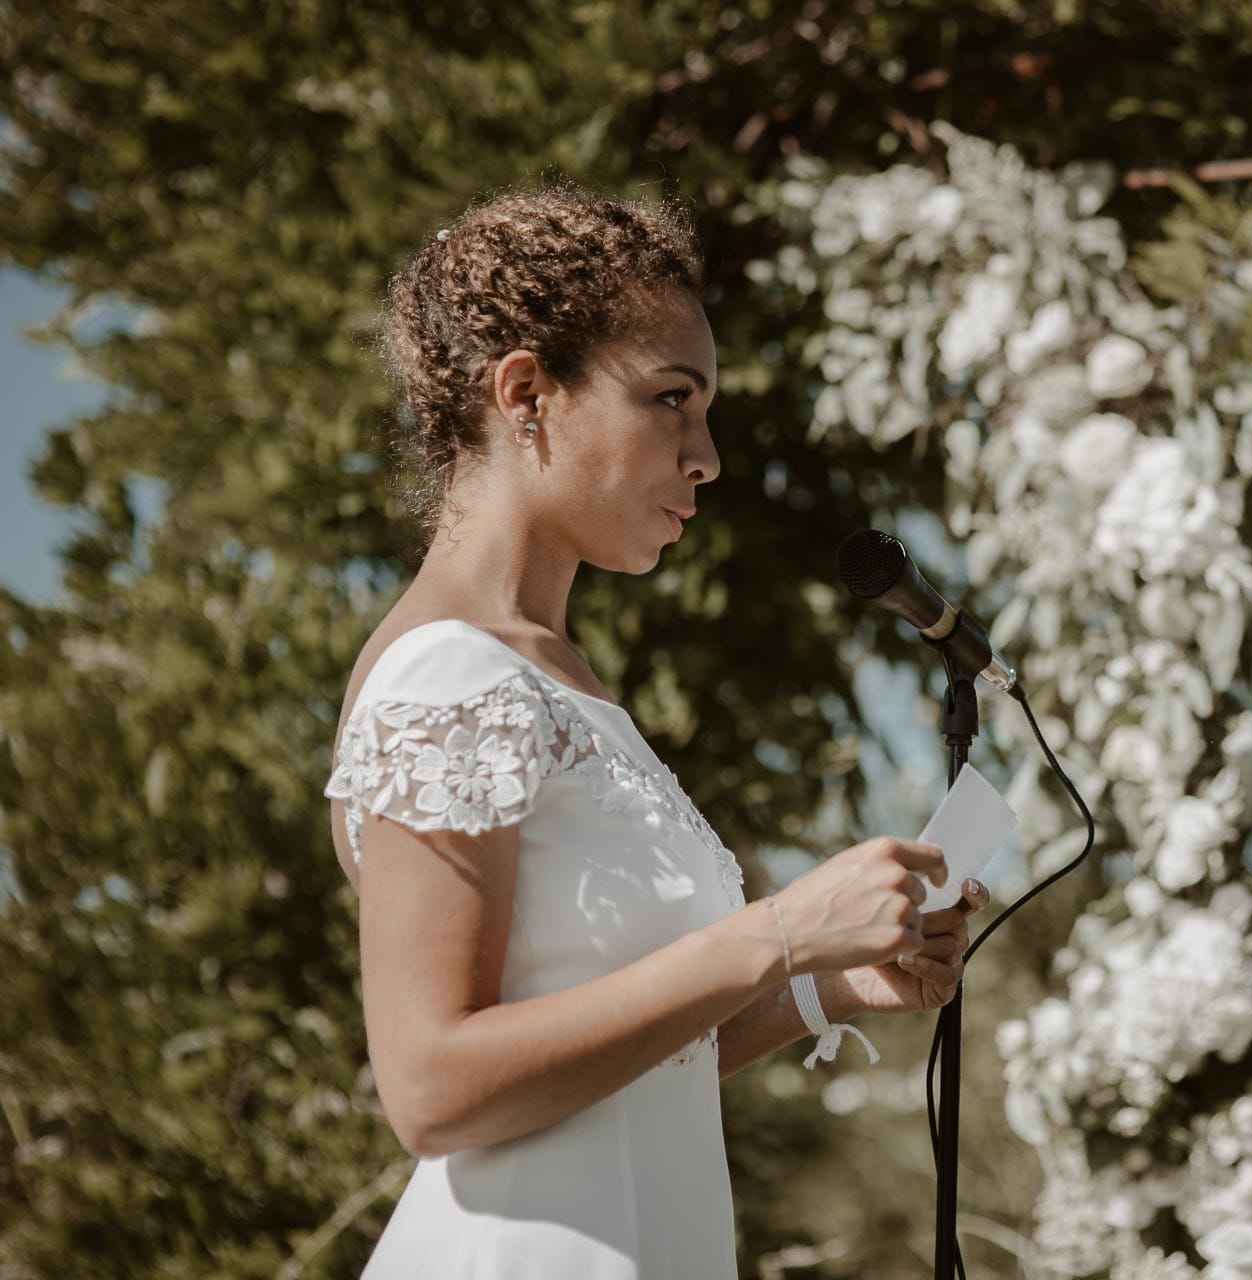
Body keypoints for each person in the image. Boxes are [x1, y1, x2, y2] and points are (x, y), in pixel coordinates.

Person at [322, 183, 988, 1278]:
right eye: (671, 398)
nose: (707, 455)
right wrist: (778, 930)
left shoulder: (563, 681)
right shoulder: (445, 675)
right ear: (526, 392)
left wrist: (821, 984)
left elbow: (623, 1066)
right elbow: (433, 1085)